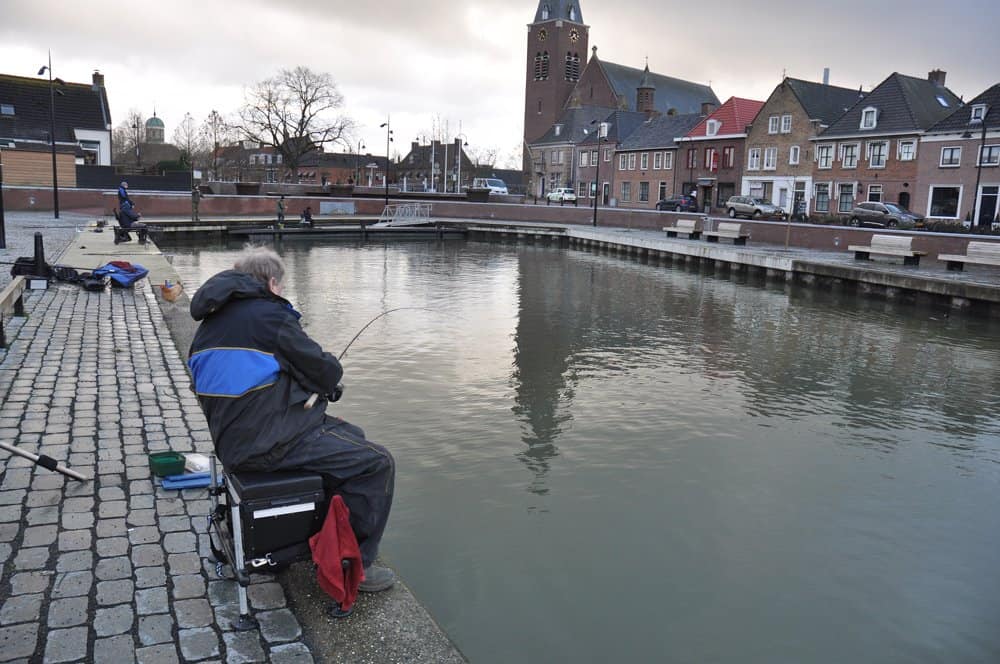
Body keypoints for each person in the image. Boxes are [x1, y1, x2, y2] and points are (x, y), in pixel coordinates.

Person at [187, 246, 396, 592]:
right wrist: (327, 376)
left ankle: (301, 541)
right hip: (268, 443)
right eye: (281, 287)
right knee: (377, 463)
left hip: (232, 442)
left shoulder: (208, 327)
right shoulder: (271, 316)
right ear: (272, 283)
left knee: (352, 435)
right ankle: (355, 566)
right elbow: (325, 370)